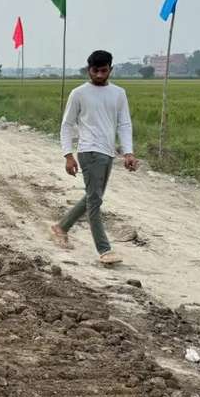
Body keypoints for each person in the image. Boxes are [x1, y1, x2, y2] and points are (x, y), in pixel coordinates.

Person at [50, 50, 139, 265]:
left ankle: (61, 227)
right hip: (89, 151)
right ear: (88, 70)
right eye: (95, 71)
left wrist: (128, 152)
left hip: (108, 152)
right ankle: (104, 250)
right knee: (95, 200)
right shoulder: (79, 93)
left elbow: (124, 124)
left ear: (110, 69)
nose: (99, 75)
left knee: (93, 196)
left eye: (104, 70)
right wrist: (68, 155)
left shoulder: (118, 93)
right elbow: (67, 125)